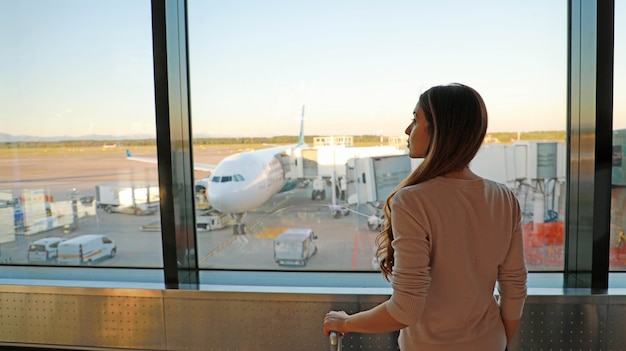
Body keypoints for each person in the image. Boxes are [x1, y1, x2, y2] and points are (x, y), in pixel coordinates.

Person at [323, 83, 527, 351]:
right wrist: (501, 341)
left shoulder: (412, 201)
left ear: (439, 131)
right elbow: (514, 285)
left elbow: (405, 310)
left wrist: (346, 322)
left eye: (415, 119)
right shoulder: (504, 198)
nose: (408, 130)